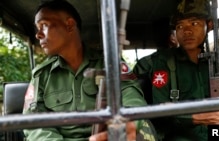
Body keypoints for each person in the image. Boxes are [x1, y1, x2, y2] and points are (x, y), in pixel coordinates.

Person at [22, 0, 157, 141]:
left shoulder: (109, 63)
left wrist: (127, 123)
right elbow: (34, 122)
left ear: (69, 25)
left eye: (44, 25)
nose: (38, 35)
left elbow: (132, 98)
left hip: (108, 137)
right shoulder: (42, 75)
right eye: (37, 28)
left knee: (142, 131)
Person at [133, 0, 219, 140]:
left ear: (209, 25)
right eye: (180, 26)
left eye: (194, 23)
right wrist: (196, 118)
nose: (186, 31)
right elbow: (160, 114)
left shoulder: (217, 67)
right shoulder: (160, 63)